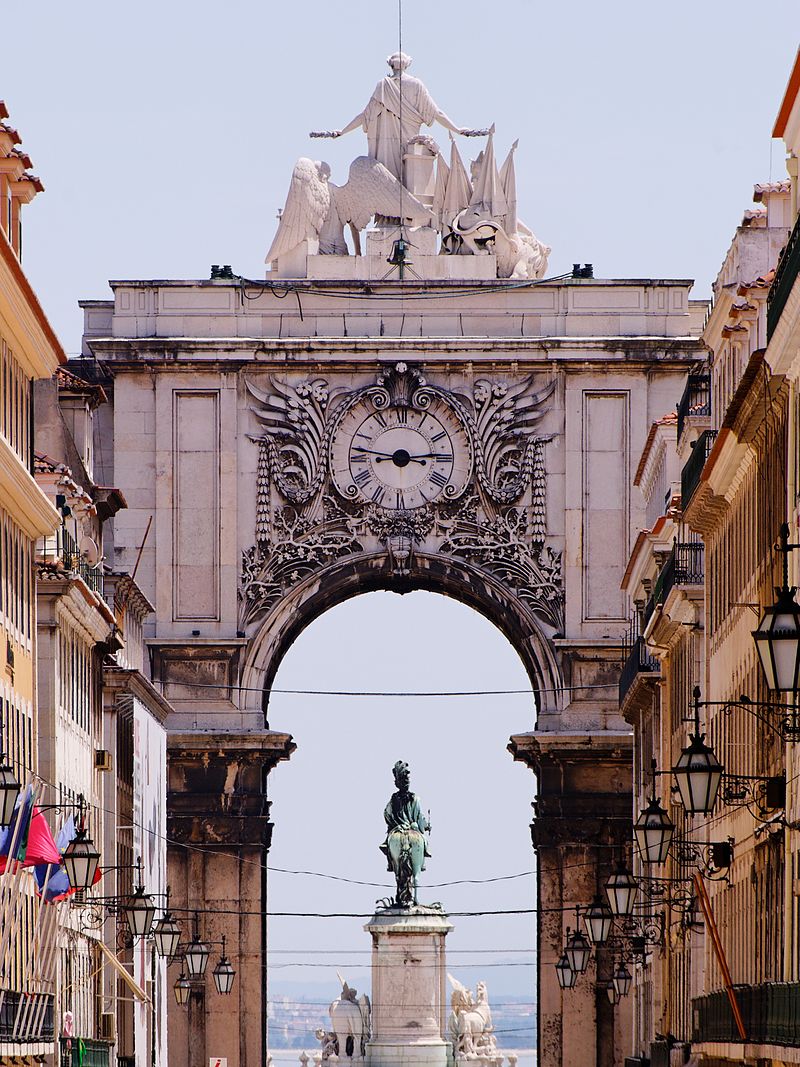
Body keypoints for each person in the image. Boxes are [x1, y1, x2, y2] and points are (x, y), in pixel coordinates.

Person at [311, 53, 484, 182]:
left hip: (387, 149)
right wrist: (457, 129)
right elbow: (436, 113)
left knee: (391, 183)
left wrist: (342, 131)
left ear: (390, 65)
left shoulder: (383, 86)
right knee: (409, 184)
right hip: (410, 147)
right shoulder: (415, 85)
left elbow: (364, 116)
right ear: (407, 64)